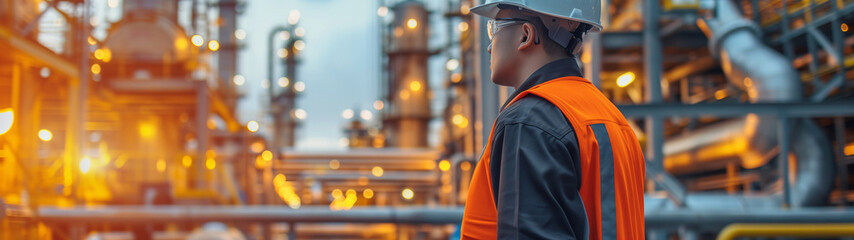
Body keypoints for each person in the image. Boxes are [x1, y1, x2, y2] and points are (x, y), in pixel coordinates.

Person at [461, 0, 646, 239]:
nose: (489, 46)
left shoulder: (529, 120)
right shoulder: (613, 119)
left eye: (494, 28)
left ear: (525, 35)